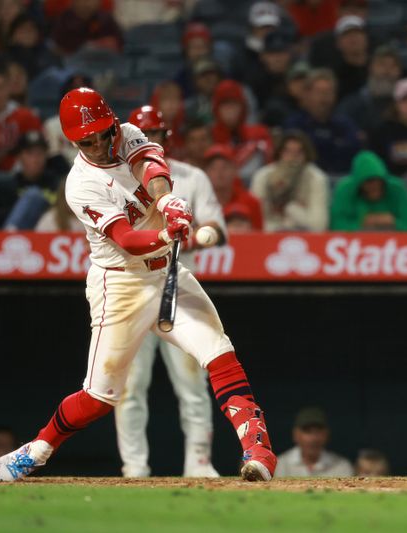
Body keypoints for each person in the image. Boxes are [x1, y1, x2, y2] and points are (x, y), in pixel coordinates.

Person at [0, 88, 277, 483]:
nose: (100, 145)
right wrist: (167, 232)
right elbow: (126, 238)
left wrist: (168, 203)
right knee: (98, 398)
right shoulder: (80, 183)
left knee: (218, 351)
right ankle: (36, 450)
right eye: (86, 140)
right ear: (74, 141)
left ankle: (258, 449)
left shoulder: (125, 134)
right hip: (120, 284)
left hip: (166, 273)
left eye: (102, 134)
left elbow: (152, 167)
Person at [114, 106, 228, 478]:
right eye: (143, 135)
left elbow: (217, 227)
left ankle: (198, 463)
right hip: (131, 289)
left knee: (193, 380)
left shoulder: (191, 177)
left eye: (156, 135)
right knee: (130, 386)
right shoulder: (113, 179)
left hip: (174, 283)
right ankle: (134, 467)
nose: (150, 141)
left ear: (166, 138)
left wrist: (189, 237)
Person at [0, 131, 62, 229]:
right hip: (11, 235)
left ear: (46, 156)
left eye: (40, 153)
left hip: (47, 235)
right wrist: (17, 210)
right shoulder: (4, 186)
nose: (36, 159)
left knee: (34, 195)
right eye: (30, 153)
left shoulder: (57, 184)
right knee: (33, 195)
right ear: (19, 157)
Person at [284, 69, 361, 174]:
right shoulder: (295, 124)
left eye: (328, 92)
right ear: (307, 94)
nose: (324, 98)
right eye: (319, 92)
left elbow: (353, 151)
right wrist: (334, 146)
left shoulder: (345, 124)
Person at [250, 130, 329, 232]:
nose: (293, 157)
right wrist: (278, 230)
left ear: (307, 154)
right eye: (287, 151)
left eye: (299, 152)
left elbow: (319, 226)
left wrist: (289, 207)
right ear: (279, 153)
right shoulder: (262, 176)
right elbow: (256, 222)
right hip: (269, 235)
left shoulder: (316, 178)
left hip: (306, 237)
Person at [330, 150, 407, 231]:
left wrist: (392, 221)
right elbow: (337, 226)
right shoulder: (345, 190)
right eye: (368, 182)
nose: (374, 186)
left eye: (377, 180)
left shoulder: (397, 189)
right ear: (359, 183)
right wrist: (361, 224)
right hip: (356, 243)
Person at [210, 80, 273, 181]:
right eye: (225, 105)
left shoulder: (260, 134)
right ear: (217, 109)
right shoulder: (207, 137)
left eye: (234, 104)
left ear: (242, 108)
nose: (230, 110)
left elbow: (270, 168)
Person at [337, 45, 403, 134]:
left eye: (393, 66)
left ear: (399, 72)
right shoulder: (351, 105)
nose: (387, 71)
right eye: (382, 65)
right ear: (371, 68)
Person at [274, 407, 354, 478]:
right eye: (307, 431)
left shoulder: (342, 466)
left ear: (326, 434)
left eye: (318, 431)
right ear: (296, 434)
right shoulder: (280, 465)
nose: (313, 438)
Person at [204, 144, 264, 231]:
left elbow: (259, 237)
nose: (219, 173)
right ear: (205, 173)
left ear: (235, 170)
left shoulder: (251, 202)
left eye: (225, 167)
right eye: (213, 168)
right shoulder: (197, 201)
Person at [51, 0, 123, 56]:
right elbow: (58, 44)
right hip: (74, 62)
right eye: (83, 0)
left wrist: (111, 43)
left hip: (104, 61)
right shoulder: (65, 19)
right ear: (73, 2)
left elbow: (120, 40)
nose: (87, 4)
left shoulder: (106, 18)